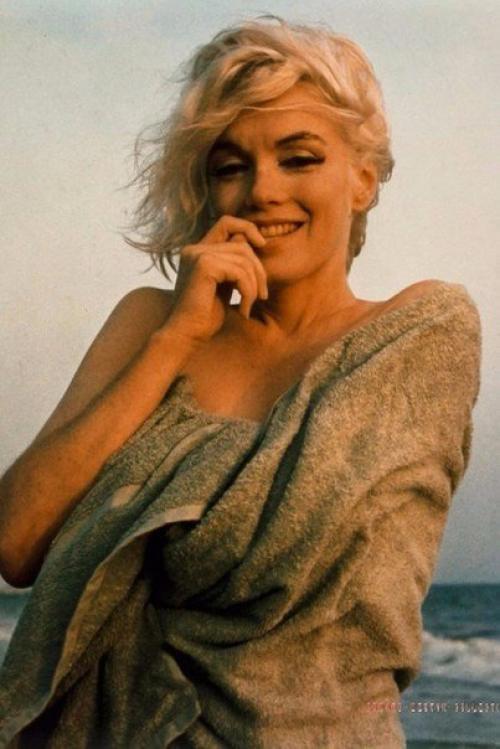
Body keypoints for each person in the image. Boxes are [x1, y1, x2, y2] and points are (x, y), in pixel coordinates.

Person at [0, 16, 481, 749]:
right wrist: (175, 341)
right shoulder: (149, 324)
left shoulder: (416, 335)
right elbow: (16, 541)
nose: (263, 190)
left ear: (361, 178)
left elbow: (295, 570)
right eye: (230, 167)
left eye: (299, 158)